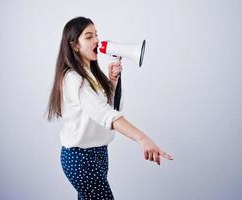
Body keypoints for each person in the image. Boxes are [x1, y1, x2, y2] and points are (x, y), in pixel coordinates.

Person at [47, 16, 173, 200]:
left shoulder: (91, 75)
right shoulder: (74, 79)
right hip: (80, 158)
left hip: (99, 153)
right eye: (89, 36)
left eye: (96, 35)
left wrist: (112, 82)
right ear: (74, 45)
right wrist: (142, 138)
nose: (97, 40)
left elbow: (110, 107)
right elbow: (106, 115)